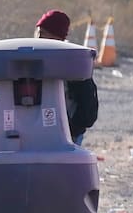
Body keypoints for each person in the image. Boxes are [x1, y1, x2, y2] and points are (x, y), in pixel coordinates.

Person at [34, 9, 99, 144]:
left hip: (67, 136)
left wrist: (71, 130)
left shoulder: (73, 63)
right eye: (38, 33)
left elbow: (87, 109)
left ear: (57, 37)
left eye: (43, 34)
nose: (38, 39)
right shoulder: (31, 60)